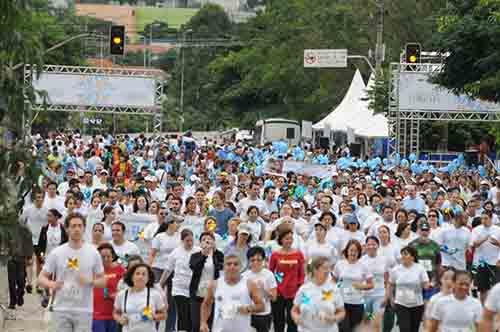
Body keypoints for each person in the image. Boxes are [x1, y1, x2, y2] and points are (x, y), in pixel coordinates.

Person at [38, 213, 106, 332]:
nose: (77, 229)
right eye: (73, 226)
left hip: (84, 309)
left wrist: (90, 281)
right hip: (61, 308)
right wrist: (52, 284)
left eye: (80, 226)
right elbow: (41, 277)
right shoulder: (57, 253)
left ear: (84, 228)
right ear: (67, 229)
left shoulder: (93, 252)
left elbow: (103, 281)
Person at [200, 253, 265, 332]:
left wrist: (248, 308)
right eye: (229, 264)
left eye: (235, 264)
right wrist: (203, 322)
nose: (232, 266)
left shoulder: (249, 284)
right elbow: (206, 304)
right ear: (224, 267)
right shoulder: (215, 284)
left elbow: (261, 306)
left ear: (240, 267)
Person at [291, 257, 346, 332]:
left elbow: (342, 312)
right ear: (315, 270)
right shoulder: (304, 289)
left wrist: (333, 318)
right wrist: (296, 318)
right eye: (324, 268)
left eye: (329, 268)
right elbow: (294, 310)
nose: (328, 271)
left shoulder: (334, 289)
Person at [160, 229, 199, 332]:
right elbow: (168, 270)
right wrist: (161, 284)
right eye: (187, 241)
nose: (190, 243)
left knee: (192, 316)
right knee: (183, 314)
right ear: (182, 241)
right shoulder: (176, 252)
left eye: (191, 240)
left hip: (194, 289)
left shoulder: (198, 251)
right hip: (179, 289)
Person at [385, 246, 431, 332]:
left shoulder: (420, 268)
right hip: (401, 304)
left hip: (417, 304)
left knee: (414, 329)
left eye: (405, 254)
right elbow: (390, 284)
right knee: (405, 329)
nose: (402, 256)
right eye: (402, 254)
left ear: (413, 257)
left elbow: (426, 284)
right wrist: (391, 298)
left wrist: (429, 285)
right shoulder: (396, 270)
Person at [333, 239, 373, 332]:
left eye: (356, 251)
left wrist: (361, 286)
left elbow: (371, 284)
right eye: (351, 250)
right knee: (344, 328)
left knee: (355, 329)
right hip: (342, 302)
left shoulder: (363, 266)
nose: (353, 253)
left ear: (359, 252)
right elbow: (333, 280)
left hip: (357, 303)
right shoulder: (340, 264)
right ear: (347, 251)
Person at [269, 228, 305, 332]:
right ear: (281, 240)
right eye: (286, 238)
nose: (289, 241)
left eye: (291, 238)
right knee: (278, 320)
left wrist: (300, 288)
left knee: (292, 321)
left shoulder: (298, 254)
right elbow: (270, 273)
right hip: (279, 292)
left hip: (294, 292)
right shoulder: (275, 255)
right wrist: (273, 289)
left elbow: (301, 273)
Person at [113, 263, 167, 332]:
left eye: (144, 274)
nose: (140, 277)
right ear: (132, 277)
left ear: (148, 278)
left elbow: (164, 314)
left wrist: (154, 317)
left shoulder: (155, 294)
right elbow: (115, 313)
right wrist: (120, 319)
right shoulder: (122, 294)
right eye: (137, 274)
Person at [189, 232, 224, 332]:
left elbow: (222, 267)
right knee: (196, 324)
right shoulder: (195, 256)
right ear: (200, 243)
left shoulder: (218, 255)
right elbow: (194, 267)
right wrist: (204, 254)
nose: (207, 241)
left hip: (213, 294)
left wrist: (214, 250)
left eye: (209, 239)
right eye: (204, 239)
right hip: (197, 294)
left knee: (211, 324)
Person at [242, 246, 277, 332]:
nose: (256, 262)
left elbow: (274, 298)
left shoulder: (269, 275)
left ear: (263, 260)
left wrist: (264, 290)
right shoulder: (244, 276)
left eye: (259, 260)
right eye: (252, 260)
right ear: (248, 261)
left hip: (264, 314)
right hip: (248, 313)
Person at [93, 243, 126, 332]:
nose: (106, 259)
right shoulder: (92, 270)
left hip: (114, 315)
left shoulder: (120, 270)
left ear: (113, 256)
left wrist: (117, 295)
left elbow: (127, 290)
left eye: (108, 256)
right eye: (102, 257)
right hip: (97, 315)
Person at [360, 236, 389, 331]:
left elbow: (387, 280)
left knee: (377, 321)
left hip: (379, 295)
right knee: (367, 321)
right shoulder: (361, 260)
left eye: (374, 244)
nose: (371, 246)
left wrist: (386, 296)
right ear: (365, 246)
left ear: (378, 245)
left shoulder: (384, 259)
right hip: (365, 296)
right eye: (369, 244)